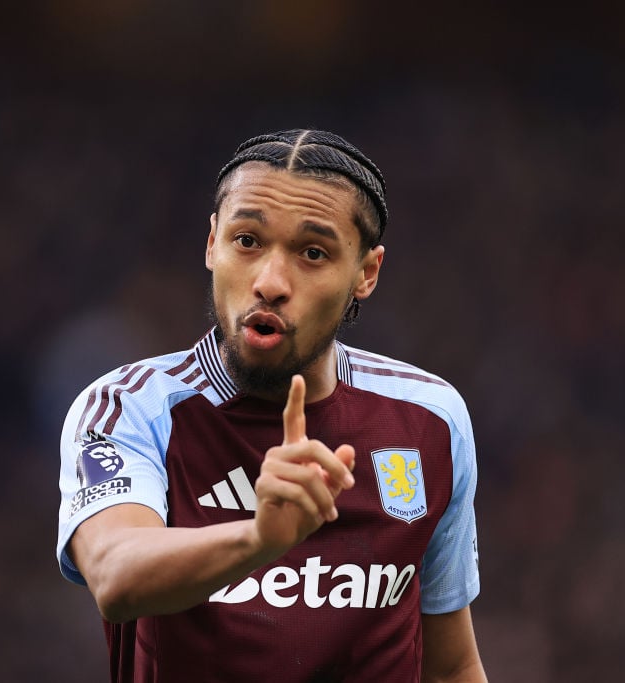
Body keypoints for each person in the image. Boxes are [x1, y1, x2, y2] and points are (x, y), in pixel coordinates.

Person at [55, 129, 486, 681]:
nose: (271, 282)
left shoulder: (429, 419)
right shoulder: (129, 407)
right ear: (212, 243)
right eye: (248, 240)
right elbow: (117, 575)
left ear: (366, 273)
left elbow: (450, 668)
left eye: (313, 252)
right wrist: (260, 539)